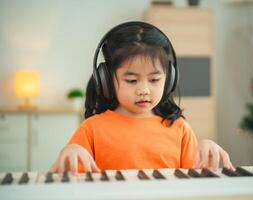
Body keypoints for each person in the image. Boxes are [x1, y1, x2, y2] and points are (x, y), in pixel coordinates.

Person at [51, 21, 234, 174]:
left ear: (169, 79)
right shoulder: (91, 129)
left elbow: (193, 185)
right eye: (131, 80)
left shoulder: (180, 130)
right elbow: (71, 181)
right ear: (106, 80)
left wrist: (205, 148)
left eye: (154, 79)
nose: (144, 90)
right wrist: (71, 150)